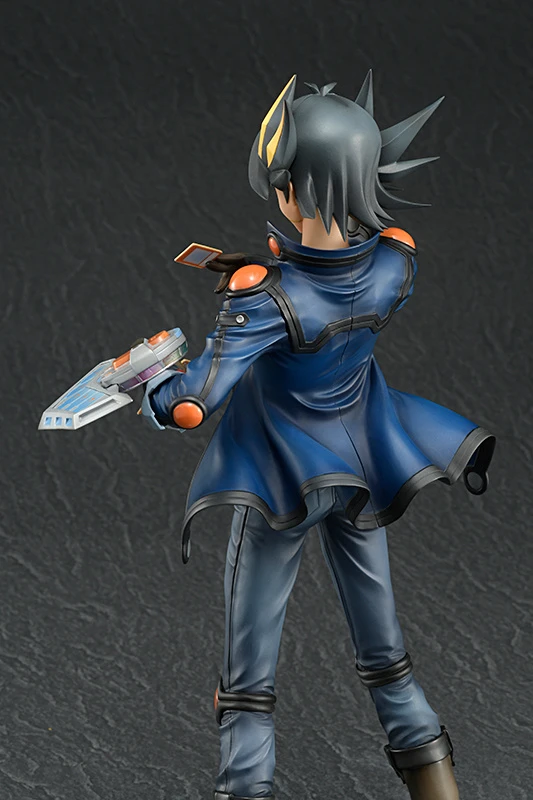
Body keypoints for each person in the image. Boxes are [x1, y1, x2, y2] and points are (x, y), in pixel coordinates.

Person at [141, 72, 495, 800]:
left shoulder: (264, 300)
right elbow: (339, 286)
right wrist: (272, 272)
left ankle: (247, 785)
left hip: (283, 486)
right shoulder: (396, 261)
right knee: (384, 652)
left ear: (296, 191)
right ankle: (436, 784)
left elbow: (195, 405)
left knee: (248, 676)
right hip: (363, 472)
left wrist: (147, 386)